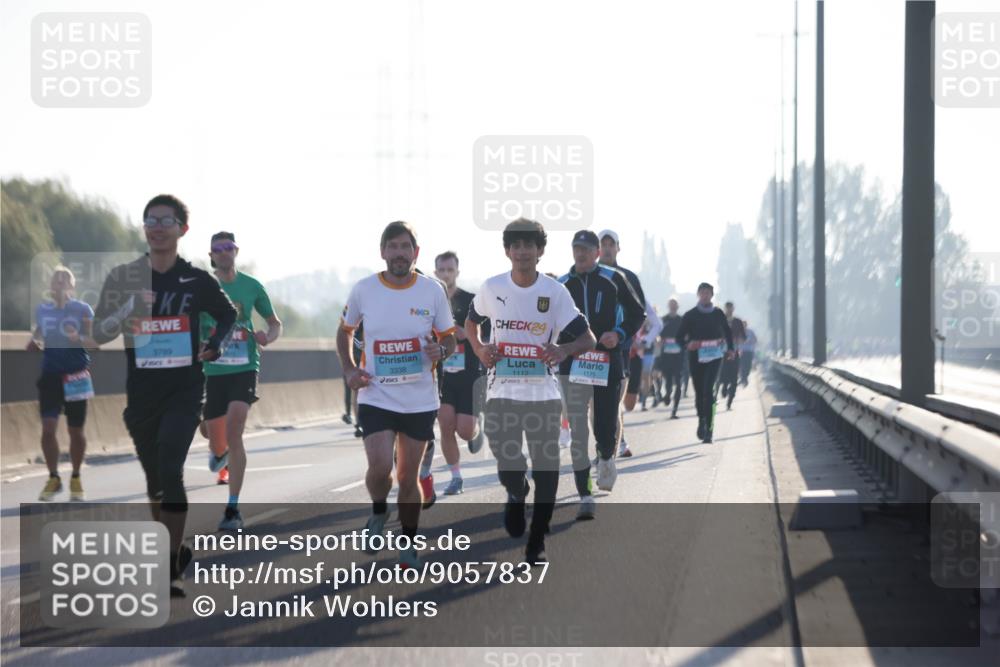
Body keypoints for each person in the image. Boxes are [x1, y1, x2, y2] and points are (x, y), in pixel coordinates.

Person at [93, 194, 237, 597]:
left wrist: (216, 344)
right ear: (144, 228)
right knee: (156, 481)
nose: (157, 226)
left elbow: (227, 315)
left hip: (185, 389)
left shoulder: (195, 279)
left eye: (166, 220)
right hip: (141, 394)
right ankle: (172, 550)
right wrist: (128, 310)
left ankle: (168, 567)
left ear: (182, 229)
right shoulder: (123, 278)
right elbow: (99, 332)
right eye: (150, 219)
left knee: (171, 470)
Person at [466, 219, 595, 564]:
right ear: (507, 251)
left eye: (529, 245)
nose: (523, 251)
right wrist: (479, 348)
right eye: (516, 245)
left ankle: (537, 539)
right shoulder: (492, 288)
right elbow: (470, 321)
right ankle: (516, 490)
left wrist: (565, 350)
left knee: (546, 466)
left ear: (540, 251)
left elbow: (589, 338)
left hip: (544, 395)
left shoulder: (554, 292)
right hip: (501, 393)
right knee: (508, 462)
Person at [337, 221, 457, 570]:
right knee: (379, 469)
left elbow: (449, 336)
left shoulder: (432, 290)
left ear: (415, 253)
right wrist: (348, 368)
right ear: (383, 252)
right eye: (393, 247)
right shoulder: (364, 290)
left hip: (419, 399)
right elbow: (344, 331)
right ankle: (378, 510)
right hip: (376, 394)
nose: (399, 253)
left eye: (406, 247)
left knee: (407, 477)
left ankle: (407, 543)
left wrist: (441, 350)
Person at [557, 230, 645, 518]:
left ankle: (606, 456)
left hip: (608, 361)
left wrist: (618, 334)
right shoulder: (561, 285)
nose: (580, 254)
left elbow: (637, 313)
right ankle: (585, 492)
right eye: (576, 248)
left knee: (604, 425)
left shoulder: (612, 279)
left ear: (597, 253)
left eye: (586, 249)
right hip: (574, 364)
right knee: (578, 428)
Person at [200, 232, 282, 529]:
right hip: (211, 369)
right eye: (218, 249)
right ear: (211, 255)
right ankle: (218, 451)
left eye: (228, 248)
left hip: (244, 365)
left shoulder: (251, 286)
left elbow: (274, 324)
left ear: (236, 252)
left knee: (235, 429)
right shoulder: (202, 287)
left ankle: (232, 509)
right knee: (212, 432)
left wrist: (267, 337)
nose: (223, 253)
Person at [27, 266, 96, 502]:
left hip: (76, 374)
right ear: (50, 286)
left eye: (65, 280)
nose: (60, 284)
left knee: (75, 431)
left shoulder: (82, 309)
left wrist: (78, 339)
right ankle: (54, 477)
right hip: (50, 375)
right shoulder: (42, 310)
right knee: (48, 429)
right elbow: (38, 335)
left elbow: (95, 341)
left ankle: (76, 477)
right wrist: (34, 343)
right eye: (56, 280)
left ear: (72, 287)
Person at [432, 251, 487, 497]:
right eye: (441, 270)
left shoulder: (471, 301)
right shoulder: (431, 300)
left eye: (450, 270)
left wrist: (465, 333)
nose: (445, 274)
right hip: (444, 374)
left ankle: (477, 429)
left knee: (464, 430)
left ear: (457, 272)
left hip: (469, 374)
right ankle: (456, 477)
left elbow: (484, 336)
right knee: (445, 423)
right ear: (435, 273)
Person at [596, 229, 653, 458]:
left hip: (621, 348)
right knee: (595, 404)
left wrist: (624, 335)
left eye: (612, 244)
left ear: (618, 248)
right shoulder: (588, 274)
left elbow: (639, 313)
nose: (608, 248)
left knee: (616, 401)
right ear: (596, 249)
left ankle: (612, 444)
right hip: (590, 349)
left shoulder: (628, 277)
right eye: (603, 244)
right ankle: (608, 446)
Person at [675, 283, 734, 444]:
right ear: (698, 295)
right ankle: (701, 419)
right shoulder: (690, 315)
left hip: (715, 356)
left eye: (708, 293)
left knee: (709, 390)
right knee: (700, 392)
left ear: (712, 295)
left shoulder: (718, 313)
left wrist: (730, 349)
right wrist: (688, 345)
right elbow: (679, 338)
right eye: (702, 293)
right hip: (696, 357)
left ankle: (709, 429)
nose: (705, 295)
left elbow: (727, 332)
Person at [656, 298, 685, 419]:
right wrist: (659, 342)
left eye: (675, 305)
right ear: (668, 306)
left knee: (678, 383)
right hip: (666, 355)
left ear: (678, 307)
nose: (673, 307)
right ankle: (667, 394)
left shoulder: (682, 320)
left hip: (679, 355)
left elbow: (687, 335)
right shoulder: (663, 320)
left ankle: (674, 410)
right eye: (671, 305)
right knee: (668, 380)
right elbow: (658, 335)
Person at [717, 301, 746, 411]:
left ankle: (729, 402)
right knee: (723, 374)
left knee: (734, 377)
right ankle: (724, 387)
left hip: (734, 352)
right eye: (727, 308)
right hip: (722, 353)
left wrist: (739, 340)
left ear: (733, 309)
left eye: (731, 308)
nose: (729, 310)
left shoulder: (738, 322)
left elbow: (743, 337)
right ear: (725, 309)